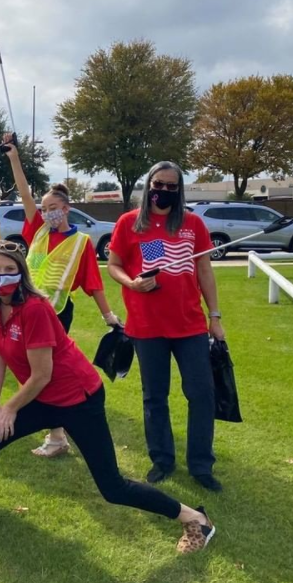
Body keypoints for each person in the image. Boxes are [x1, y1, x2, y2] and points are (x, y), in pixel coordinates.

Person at [0, 243, 216, 553]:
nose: (2, 276)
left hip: (78, 398)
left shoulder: (35, 308)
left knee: (112, 487)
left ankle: (195, 518)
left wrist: (11, 408)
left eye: (10, 269)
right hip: (42, 397)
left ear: (21, 273)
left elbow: (42, 373)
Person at [1, 132, 121, 458]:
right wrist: (14, 158)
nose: (47, 212)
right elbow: (24, 192)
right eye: (44, 208)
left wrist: (108, 316)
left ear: (66, 208)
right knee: (35, 372)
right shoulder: (37, 230)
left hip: (55, 314)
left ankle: (57, 435)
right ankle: (58, 434)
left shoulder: (80, 243)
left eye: (53, 207)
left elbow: (93, 284)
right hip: (26, 310)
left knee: (44, 373)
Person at [107, 161, 225, 492]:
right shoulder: (129, 223)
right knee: (155, 397)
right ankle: (162, 460)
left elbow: (204, 271)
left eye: (172, 187)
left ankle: (201, 464)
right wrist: (131, 283)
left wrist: (214, 317)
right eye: (160, 184)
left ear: (180, 190)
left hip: (190, 326)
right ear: (149, 185)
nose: (165, 191)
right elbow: (113, 266)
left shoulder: (192, 224)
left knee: (201, 394)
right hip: (147, 327)